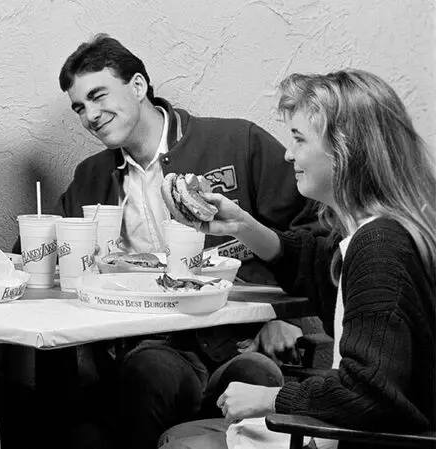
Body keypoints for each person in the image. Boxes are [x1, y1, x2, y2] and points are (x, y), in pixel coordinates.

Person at [35, 34, 322, 449]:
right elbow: (50, 248)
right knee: (147, 374)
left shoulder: (237, 142)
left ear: (137, 86)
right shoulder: (91, 177)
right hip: (149, 346)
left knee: (259, 376)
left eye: (99, 96)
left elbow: (310, 233)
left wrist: (286, 316)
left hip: (239, 339)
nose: (90, 116)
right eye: (80, 107)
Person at [160, 69, 436, 449]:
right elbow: (310, 263)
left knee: (181, 441)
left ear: (345, 150)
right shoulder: (377, 231)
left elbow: (371, 395)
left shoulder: (380, 248)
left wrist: (269, 399)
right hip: (352, 427)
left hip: (358, 435)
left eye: (299, 140)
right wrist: (241, 225)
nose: (288, 153)